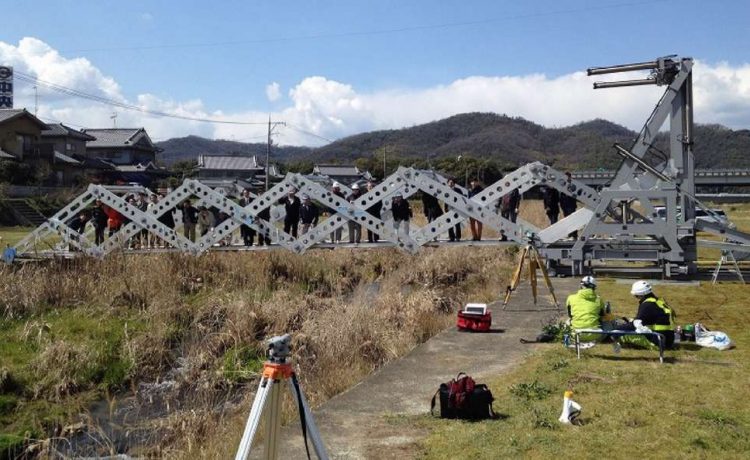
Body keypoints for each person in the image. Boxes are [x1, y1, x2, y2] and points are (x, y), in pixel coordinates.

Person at [619, 280, 677, 349]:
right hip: (669, 340)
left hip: (658, 342)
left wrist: (617, 329)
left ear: (642, 295)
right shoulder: (660, 301)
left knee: (623, 336)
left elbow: (635, 324)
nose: (636, 297)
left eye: (636, 296)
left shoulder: (647, 305)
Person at [566, 276, 609, 341]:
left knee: (567, 321)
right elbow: (602, 316)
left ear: (581, 285)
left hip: (576, 335)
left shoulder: (570, 298)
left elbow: (570, 316)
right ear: (594, 287)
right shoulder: (599, 299)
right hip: (595, 335)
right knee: (608, 322)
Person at [560, 172, 578, 237]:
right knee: (567, 220)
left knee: (572, 220)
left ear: (570, 177)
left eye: (567, 177)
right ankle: (570, 233)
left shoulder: (573, 184)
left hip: (571, 204)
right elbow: (561, 195)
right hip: (564, 205)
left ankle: (574, 234)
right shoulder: (562, 184)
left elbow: (574, 193)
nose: (566, 178)